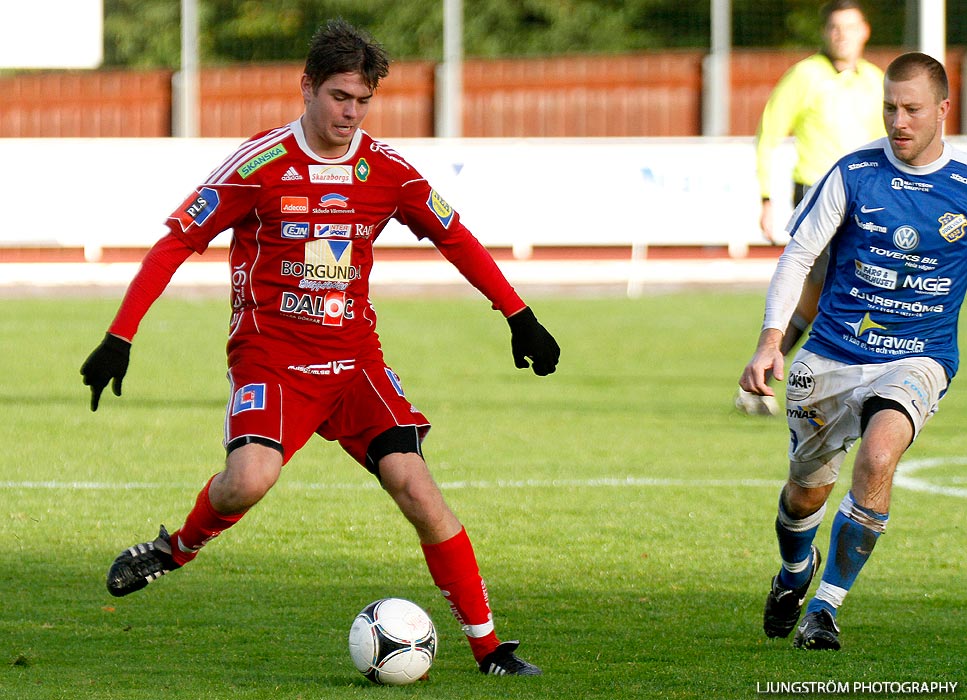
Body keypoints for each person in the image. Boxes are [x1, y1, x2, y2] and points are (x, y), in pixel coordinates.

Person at [80, 18, 559, 677]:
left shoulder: (385, 170)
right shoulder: (259, 164)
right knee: (246, 481)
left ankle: (490, 649)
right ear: (306, 88)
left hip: (354, 363)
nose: (350, 113)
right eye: (339, 97)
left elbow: (454, 235)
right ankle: (174, 549)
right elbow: (176, 242)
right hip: (271, 359)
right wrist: (119, 336)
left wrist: (518, 315)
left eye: (362, 101)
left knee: (416, 488)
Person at [740, 51, 960, 650]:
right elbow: (799, 257)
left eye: (912, 109)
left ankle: (826, 609)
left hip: (918, 358)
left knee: (878, 455)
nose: (899, 121)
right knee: (805, 490)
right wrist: (770, 342)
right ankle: (794, 572)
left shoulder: (963, 191)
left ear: (943, 108)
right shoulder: (852, 173)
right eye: (889, 107)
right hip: (833, 356)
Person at [736, 0, 885, 416]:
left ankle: (765, 378)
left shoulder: (875, 81)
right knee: (821, 291)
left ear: (865, 32)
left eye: (850, 27)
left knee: (834, 295)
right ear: (825, 33)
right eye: (836, 28)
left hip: (867, 202)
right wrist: (766, 198)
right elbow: (769, 134)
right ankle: (776, 377)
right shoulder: (805, 76)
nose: (843, 35)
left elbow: (887, 146)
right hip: (818, 195)